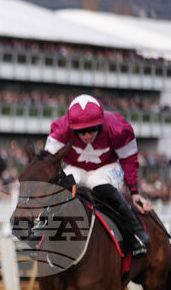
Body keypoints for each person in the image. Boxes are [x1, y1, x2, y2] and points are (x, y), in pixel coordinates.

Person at [43, 94, 150, 257]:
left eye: (92, 129)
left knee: (97, 182)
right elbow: (47, 163)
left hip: (108, 167)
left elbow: (128, 159)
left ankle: (136, 232)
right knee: (65, 185)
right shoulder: (60, 129)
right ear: (72, 127)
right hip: (76, 168)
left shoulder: (117, 127)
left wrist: (134, 191)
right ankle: (43, 230)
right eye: (81, 131)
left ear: (101, 124)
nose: (87, 136)